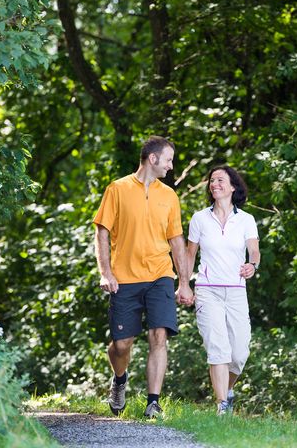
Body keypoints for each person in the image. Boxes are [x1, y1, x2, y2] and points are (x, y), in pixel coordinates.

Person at [93, 136, 194, 418]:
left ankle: (153, 402)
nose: (171, 166)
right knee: (121, 345)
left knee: (159, 335)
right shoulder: (117, 189)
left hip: (160, 275)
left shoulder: (169, 196)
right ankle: (119, 380)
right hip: (124, 278)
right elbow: (102, 231)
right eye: (169, 160)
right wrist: (106, 272)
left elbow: (176, 240)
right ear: (153, 158)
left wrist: (184, 282)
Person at [186, 165, 260, 415]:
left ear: (233, 187)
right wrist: (184, 284)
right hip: (208, 291)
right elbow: (190, 254)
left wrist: (252, 265)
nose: (214, 184)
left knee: (239, 354)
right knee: (218, 349)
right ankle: (222, 407)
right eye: (211, 180)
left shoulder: (246, 219)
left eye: (220, 180)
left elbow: (254, 250)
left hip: (236, 291)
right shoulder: (199, 218)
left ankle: (227, 391)